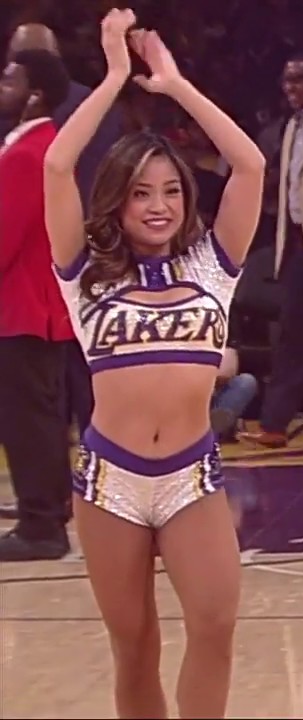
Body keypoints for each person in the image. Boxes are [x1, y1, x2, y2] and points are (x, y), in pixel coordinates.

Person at [43, 9, 265, 718]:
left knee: (215, 627)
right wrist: (113, 78)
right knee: (134, 648)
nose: (159, 205)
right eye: (141, 192)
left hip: (190, 476)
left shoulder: (212, 267)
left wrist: (175, 86)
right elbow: (55, 164)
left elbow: (252, 164)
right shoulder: (86, 273)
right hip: (111, 480)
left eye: (170, 190)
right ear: (118, 198)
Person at [0, 48, 74, 561]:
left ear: (35, 94)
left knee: (28, 420)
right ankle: (46, 510)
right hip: (31, 307)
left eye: (9, 79)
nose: (1, 85)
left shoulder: (30, 153)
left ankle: (42, 525)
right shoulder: (37, 146)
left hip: (22, 307)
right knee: (36, 417)